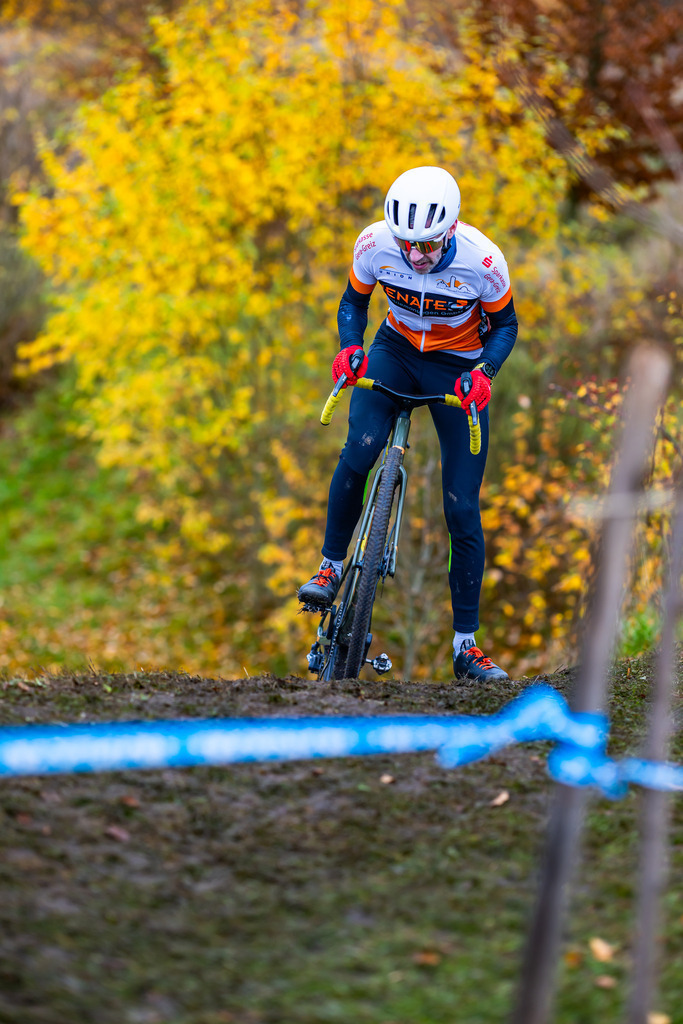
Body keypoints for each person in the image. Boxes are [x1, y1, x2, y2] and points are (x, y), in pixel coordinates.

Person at [297, 166, 518, 682]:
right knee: (360, 447)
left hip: (459, 365)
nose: (415, 255)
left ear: (452, 228)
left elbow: (506, 325)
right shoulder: (375, 243)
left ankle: (466, 646)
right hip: (395, 350)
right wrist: (351, 347)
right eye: (407, 244)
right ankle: (330, 567)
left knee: (462, 505)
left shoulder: (483, 260)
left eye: (427, 245)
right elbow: (354, 302)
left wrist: (485, 372)